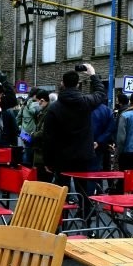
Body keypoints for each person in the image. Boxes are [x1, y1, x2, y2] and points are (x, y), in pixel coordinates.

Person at [43, 64, 107, 214]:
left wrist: (48, 160)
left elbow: (48, 137)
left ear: (62, 84)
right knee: (83, 190)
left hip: (61, 157)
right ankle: (86, 220)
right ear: (78, 84)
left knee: (61, 191)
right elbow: (100, 93)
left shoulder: (54, 108)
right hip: (83, 155)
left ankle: (60, 222)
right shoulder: (86, 102)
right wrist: (93, 74)